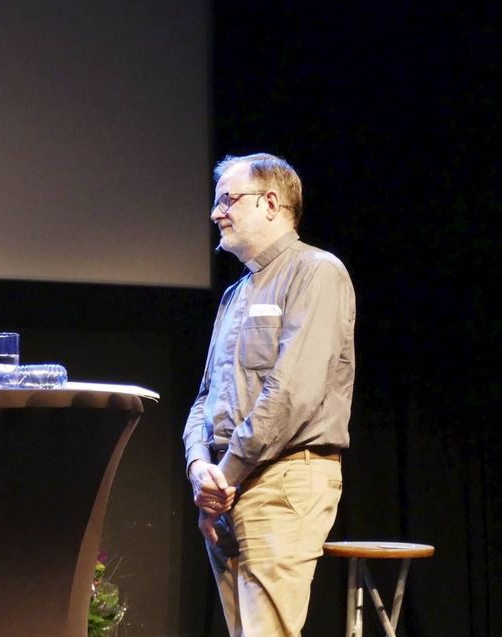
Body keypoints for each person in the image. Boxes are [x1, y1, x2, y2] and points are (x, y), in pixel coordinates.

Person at [183, 153, 356, 636]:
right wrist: (201, 469)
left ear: (271, 203)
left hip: (281, 480)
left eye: (227, 201)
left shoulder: (317, 273)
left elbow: (290, 394)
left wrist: (225, 474)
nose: (217, 213)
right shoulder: (234, 295)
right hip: (225, 487)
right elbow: (204, 399)